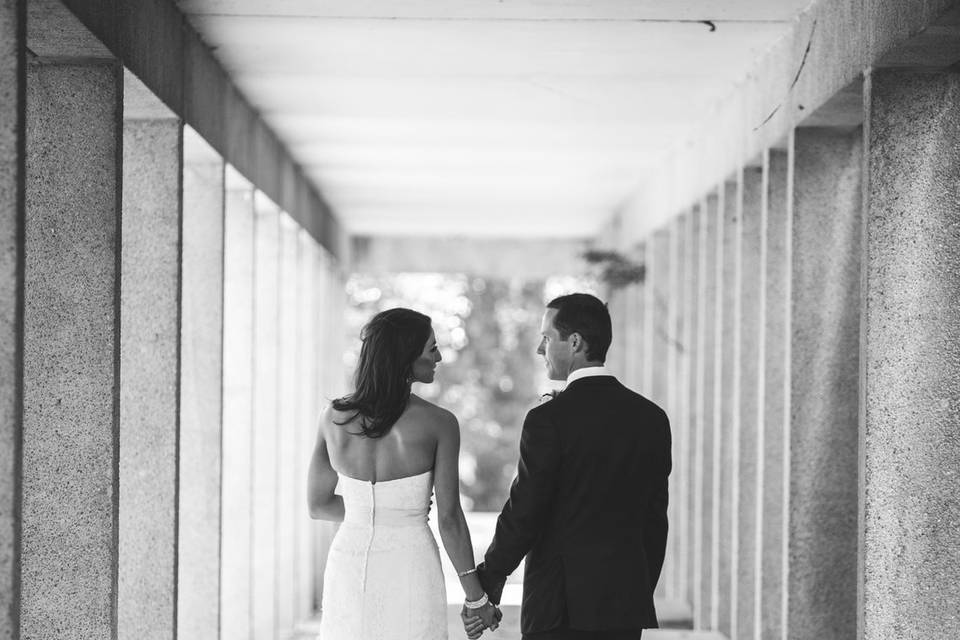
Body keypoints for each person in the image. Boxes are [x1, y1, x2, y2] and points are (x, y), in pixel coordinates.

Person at [466, 293, 672, 640]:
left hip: (558, 608)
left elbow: (526, 511)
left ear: (574, 342)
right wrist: (635, 591)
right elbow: (656, 520)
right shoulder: (652, 419)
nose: (539, 349)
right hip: (623, 607)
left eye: (547, 337)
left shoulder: (548, 420)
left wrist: (490, 579)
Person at [307, 307, 500, 640]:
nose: (439, 356)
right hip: (411, 562)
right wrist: (476, 598)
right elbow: (450, 518)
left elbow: (318, 505)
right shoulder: (439, 424)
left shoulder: (333, 418)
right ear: (406, 355)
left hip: (349, 562)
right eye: (432, 348)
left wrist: (367, 512)